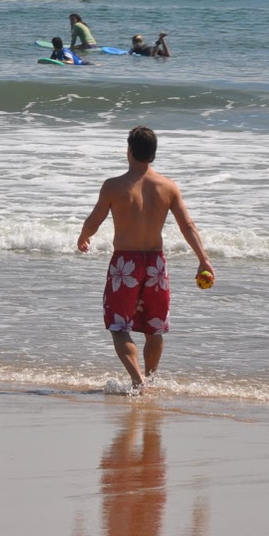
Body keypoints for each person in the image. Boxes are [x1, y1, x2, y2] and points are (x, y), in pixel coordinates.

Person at [77, 126, 213, 393]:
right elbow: (188, 225)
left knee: (119, 327)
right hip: (155, 265)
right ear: (153, 154)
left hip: (124, 265)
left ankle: (138, 381)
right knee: (154, 329)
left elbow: (94, 220)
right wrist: (203, 259)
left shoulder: (113, 186)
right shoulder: (168, 187)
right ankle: (148, 380)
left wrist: (83, 236)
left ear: (128, 151)